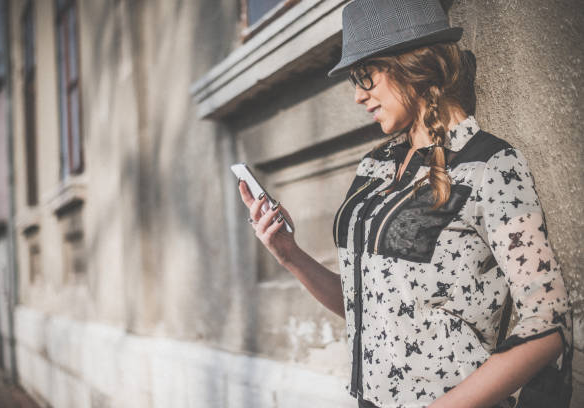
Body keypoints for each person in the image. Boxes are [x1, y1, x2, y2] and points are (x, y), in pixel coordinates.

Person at [237, 0, 573, 407]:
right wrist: (289, 255)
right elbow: (366, 305)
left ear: (415, 65)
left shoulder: (490, 165)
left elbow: (548, 323)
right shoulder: (374, 168)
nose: (359, 97)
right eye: (353, 81)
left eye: (366, 76)